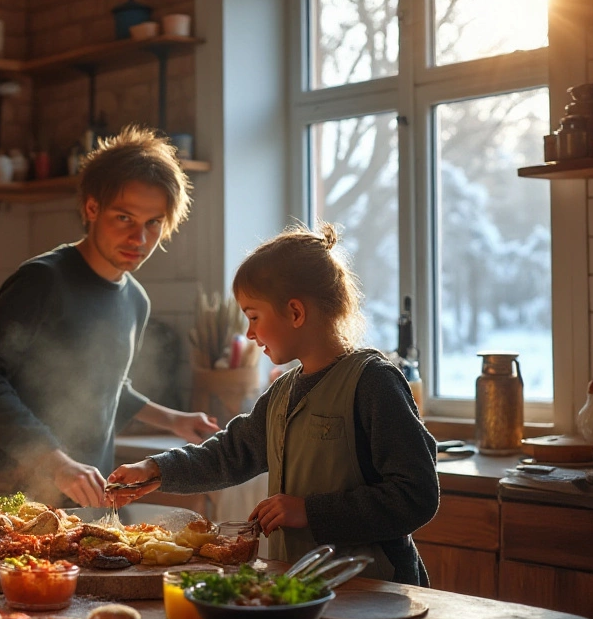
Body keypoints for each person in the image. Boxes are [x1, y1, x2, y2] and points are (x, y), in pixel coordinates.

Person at [107, 222, 439, 585]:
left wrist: (309, 512)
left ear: (295, 312)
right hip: (302, 589)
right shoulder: (282, 392)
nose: (249, 334)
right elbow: (228, 454)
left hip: (376, 593)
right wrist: (155, 469)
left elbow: (416, 495)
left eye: (253, 317)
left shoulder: (373, 382)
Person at [0, 125, 221, 509]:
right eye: (124, 218)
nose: (139, 239)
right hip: (0, 499)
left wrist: (173, 420)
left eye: (153, 223)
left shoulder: (135, 301)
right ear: (92, 209)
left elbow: (104, 387)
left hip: (77, 503)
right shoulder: (43, 280)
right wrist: (55, 461)